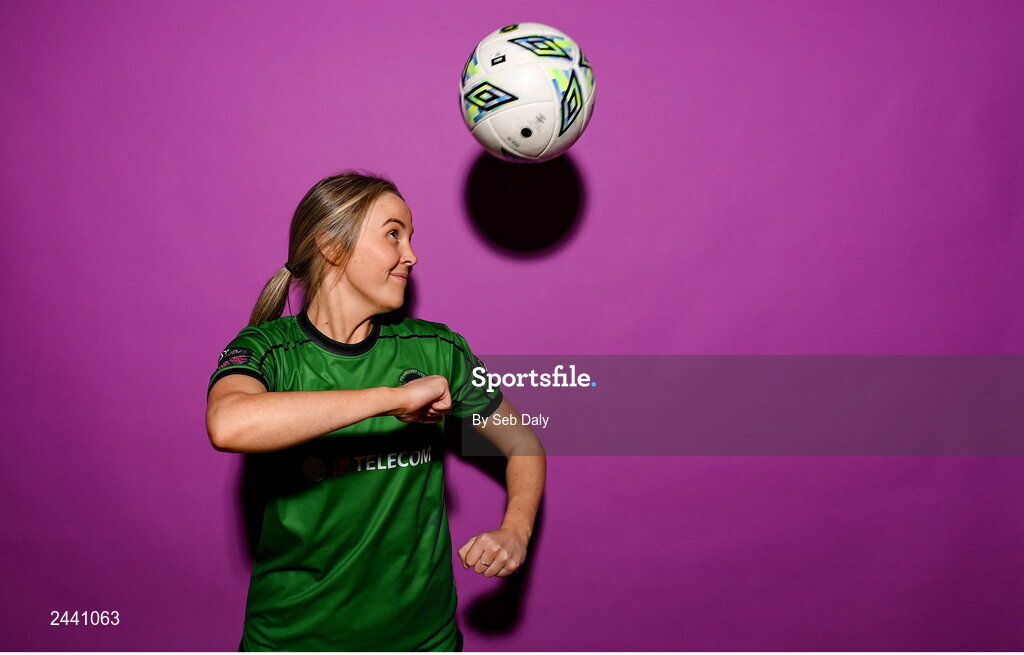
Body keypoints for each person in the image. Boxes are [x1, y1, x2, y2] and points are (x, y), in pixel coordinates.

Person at [205, 171, 546, 651]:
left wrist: (516, 530)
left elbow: (523, 442)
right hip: (293, 640)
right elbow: (229, 423)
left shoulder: (437, 350)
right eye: (393, 234)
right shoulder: (268, 350)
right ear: (332, 246)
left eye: (409, 237)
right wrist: (393, 398)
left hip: (423, 641)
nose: (411, 254)